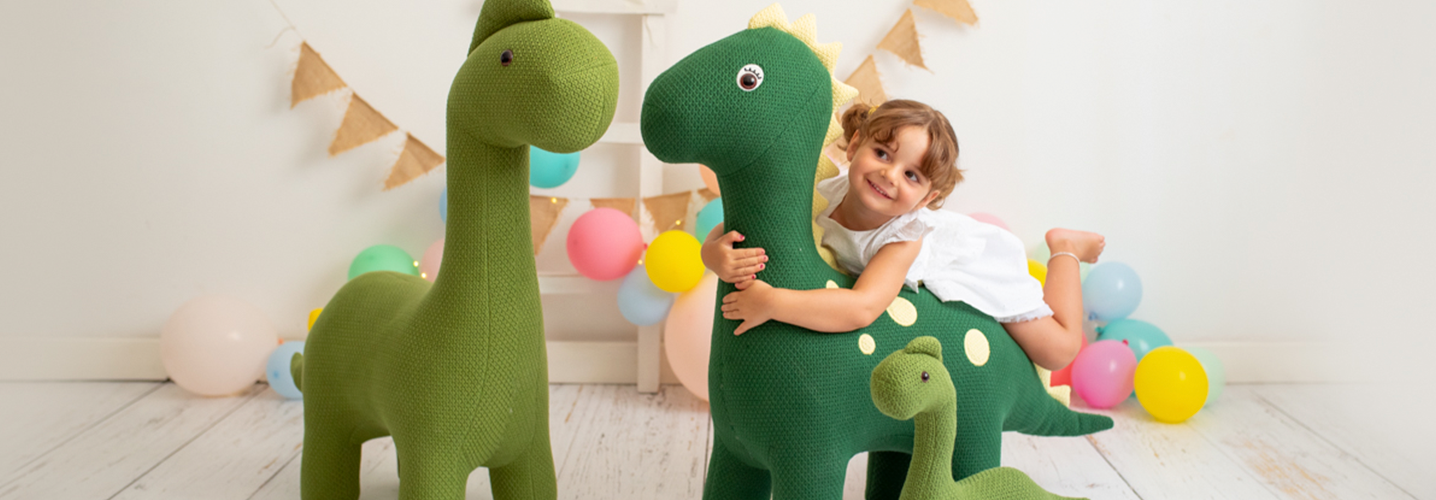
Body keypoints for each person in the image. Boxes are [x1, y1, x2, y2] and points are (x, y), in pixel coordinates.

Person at [701, 99, 1105, 370]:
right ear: (855, 144)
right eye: (882, 154)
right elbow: (748, 224)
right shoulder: (821, 192)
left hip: (963, 260)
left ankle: (1065, 248)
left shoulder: (905, 235)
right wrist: (713, 254)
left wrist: (773, 301)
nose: (888, 175)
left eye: (911, 175)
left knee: (1058, 351)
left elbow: (862, 307)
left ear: (927, 198)